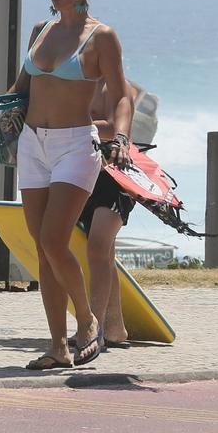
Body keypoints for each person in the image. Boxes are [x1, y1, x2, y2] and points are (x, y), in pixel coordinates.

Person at [0, 0, 132, 369]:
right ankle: (58, 346)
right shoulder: (42, 31)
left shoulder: (101, 37)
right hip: (32, 145)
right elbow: (20, 90)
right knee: (43, 250)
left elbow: (121, 95)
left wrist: (121, 138)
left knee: (56, 240)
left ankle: (88, 321)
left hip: (75, 145)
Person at [76, 79, 137, 347]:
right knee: (104, 253)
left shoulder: (119, 87)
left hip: (115, 175)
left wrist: (73, 125)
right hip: (83, 174)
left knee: (98, 248)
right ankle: (115, 328)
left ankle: (94, 329)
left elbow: (115, 127)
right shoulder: (74, 82)